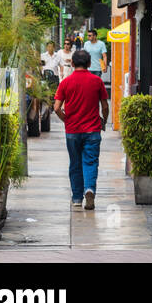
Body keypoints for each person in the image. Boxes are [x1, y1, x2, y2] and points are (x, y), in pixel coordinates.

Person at [51, 49, 109, 210]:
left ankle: (77, 198)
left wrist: (66, 120)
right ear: (90, 64)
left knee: (75, 164)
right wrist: (104, 119)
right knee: (90, 162)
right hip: (92, 131)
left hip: (72, 131)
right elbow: (105, 106)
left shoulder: (65, 82)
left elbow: (56, 108)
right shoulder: (96, 81)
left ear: (73, 63)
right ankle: (89, 189)